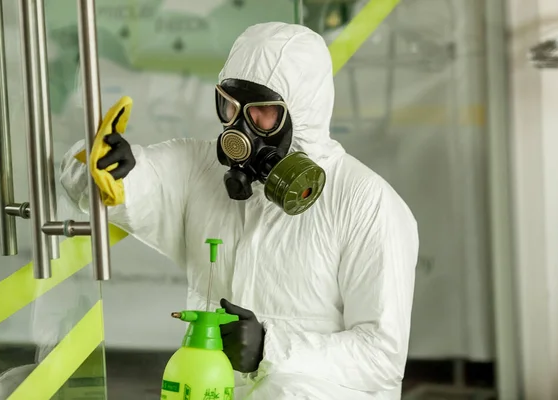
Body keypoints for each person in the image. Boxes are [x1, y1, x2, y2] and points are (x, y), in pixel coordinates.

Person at [60, 22, 419, 400]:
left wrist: (270, 348)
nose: (239, 129)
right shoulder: (201, 171)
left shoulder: (366, 203)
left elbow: (382, 356)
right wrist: (106, 166)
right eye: (229, 105)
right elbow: (127, 182)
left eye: (263, 111)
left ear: (302, 113)